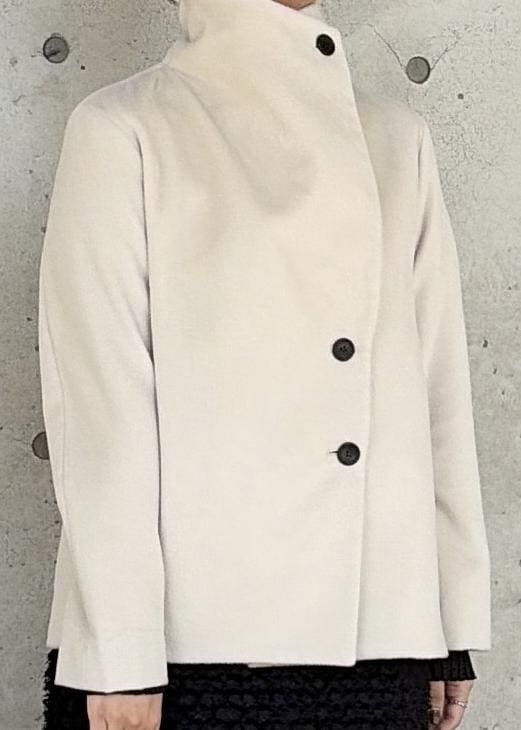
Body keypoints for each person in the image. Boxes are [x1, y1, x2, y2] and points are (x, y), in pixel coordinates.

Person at [38, 0, 491, 728]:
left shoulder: (396, 138)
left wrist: (448, 625)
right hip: (183, 651)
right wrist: (120, 655)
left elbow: (437, 393)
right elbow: (102, 420)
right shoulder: (123, 127)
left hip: (376, 640)